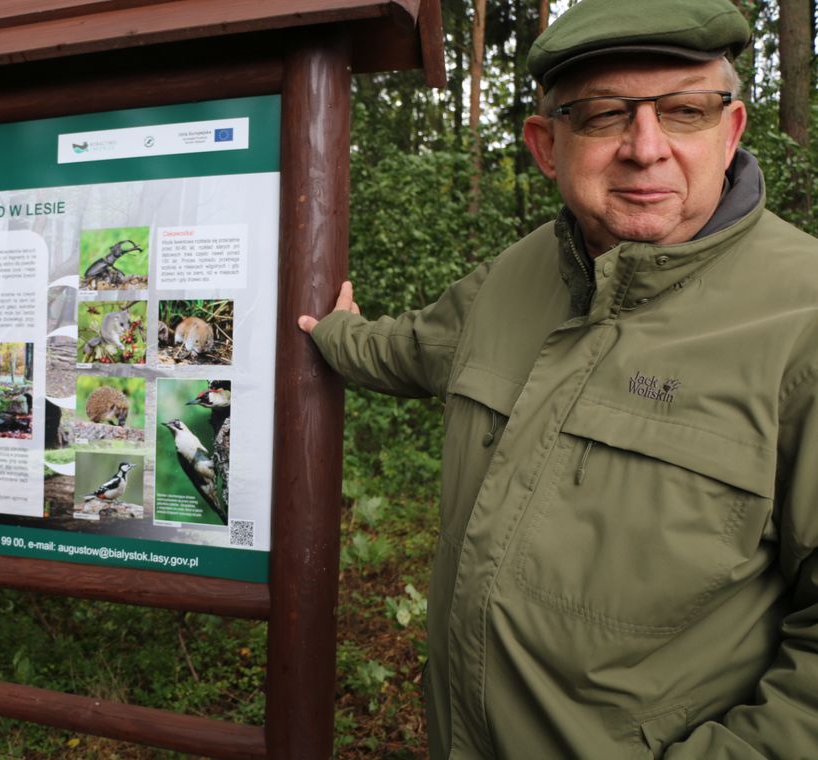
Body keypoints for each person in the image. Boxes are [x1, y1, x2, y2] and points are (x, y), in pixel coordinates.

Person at [299, 0, 818, 756]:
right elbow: (413, 346)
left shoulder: (803, 319)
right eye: (605, 116)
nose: (647, 148)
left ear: (730, 130)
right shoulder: (518, 274)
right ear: (547, 146)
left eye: (684, 111)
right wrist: (334, 333)